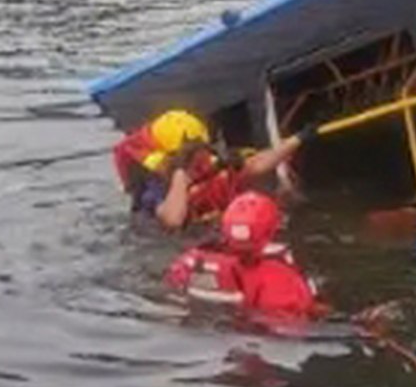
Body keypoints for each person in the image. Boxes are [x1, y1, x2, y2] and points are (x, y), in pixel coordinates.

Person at [112, 108, 303, 231]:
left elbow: (256, 165)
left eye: (198, 150)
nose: (198, 158)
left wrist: (299, 139)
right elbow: (173, 220)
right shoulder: (153, 186)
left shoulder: (203, 163)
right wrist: (180, 175)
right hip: (168, 244)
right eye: (190, 153)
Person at [164, 191, 322, 322]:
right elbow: (290, 326)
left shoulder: (190, 260)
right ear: (271, 230)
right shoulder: (279, 276)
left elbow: (169, 291)